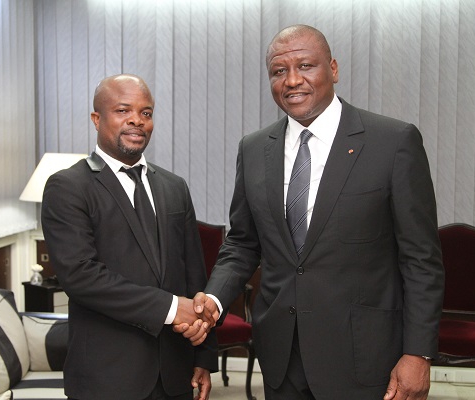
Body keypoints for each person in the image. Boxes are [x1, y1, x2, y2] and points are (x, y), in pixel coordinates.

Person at [178, 25, 445, 400]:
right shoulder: (253, 149)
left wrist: (418, 353)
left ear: (333, 69)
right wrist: (215, 300)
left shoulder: (393, 142)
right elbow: (242, 244)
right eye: (279, 71)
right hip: (281, 356)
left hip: (365, 358)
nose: (291, 80)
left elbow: (420, 259)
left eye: (305, 65)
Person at [41, 74, 218, 400]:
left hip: (175, 373)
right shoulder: (68, 187)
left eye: (145, 112)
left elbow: (195, 274)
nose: (137, 120)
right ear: (97, 119)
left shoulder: (174, 187)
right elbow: (81, 277)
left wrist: (203, 356)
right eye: (123, 110)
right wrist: (170, 308)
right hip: (107, 378)